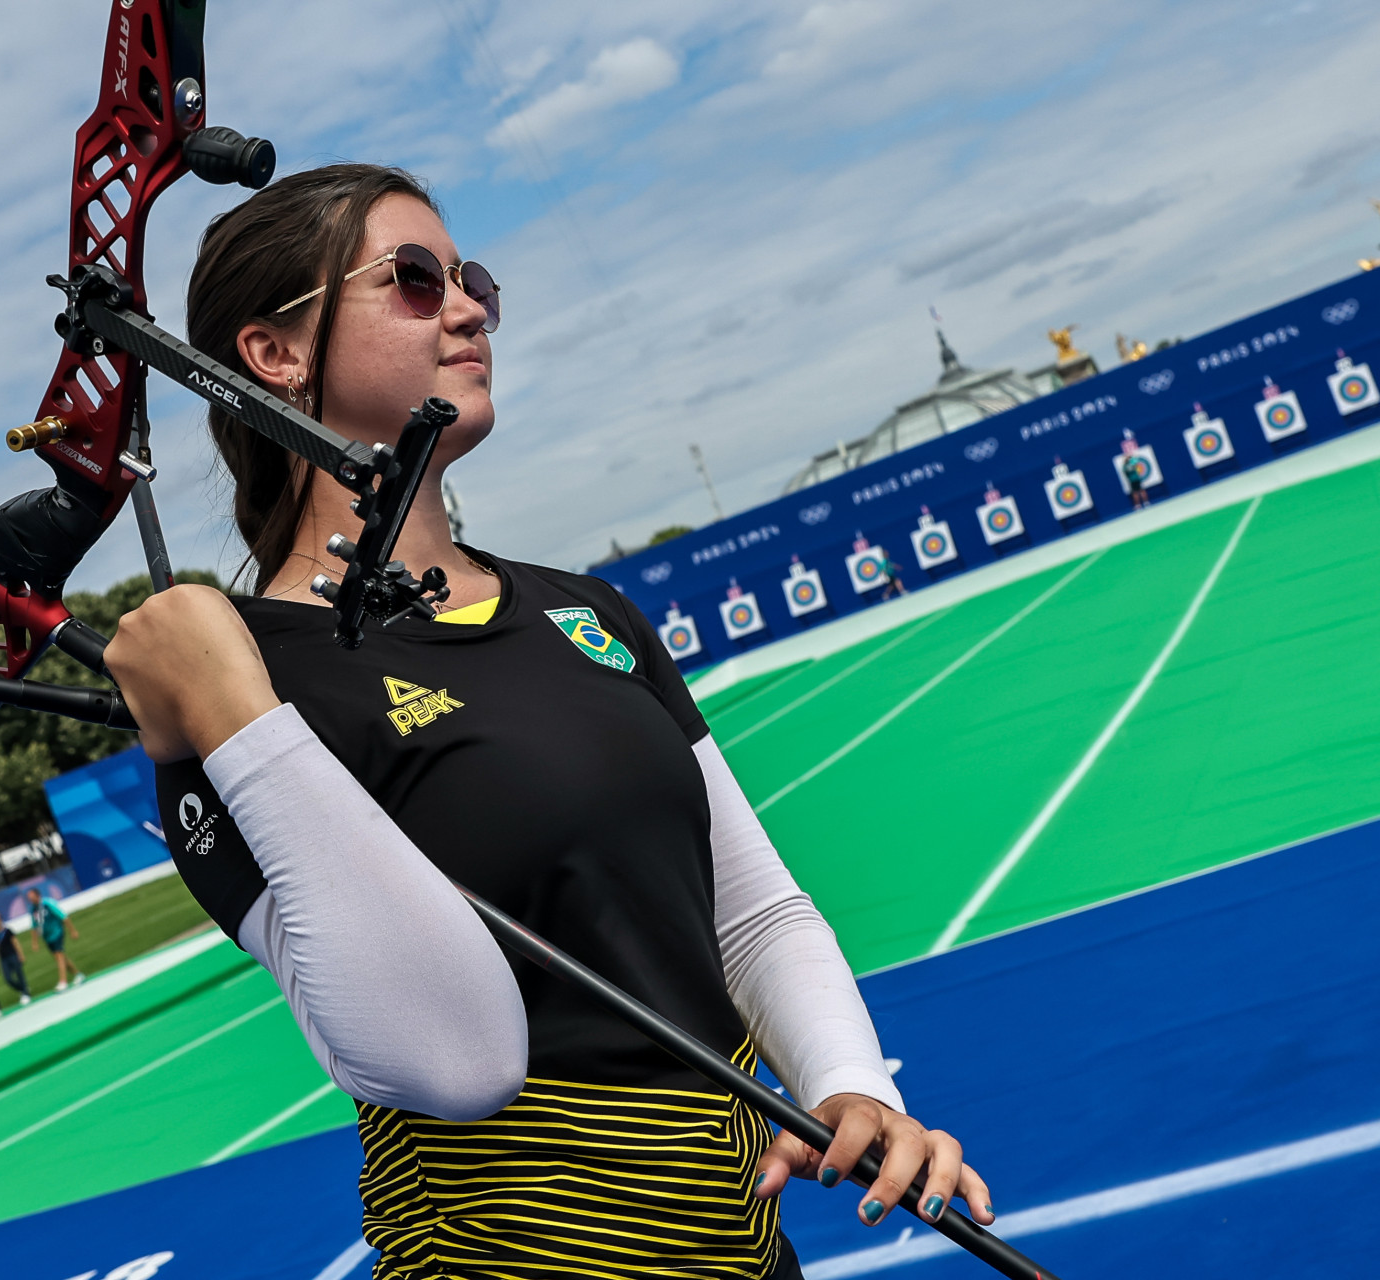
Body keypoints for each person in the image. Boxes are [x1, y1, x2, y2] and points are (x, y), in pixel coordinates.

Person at [99, 165, 996, 1280]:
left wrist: (855, 1085)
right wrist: (234, 714)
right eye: (414, 280)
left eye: (469, 277)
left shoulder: (584, 607)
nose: (471, 305)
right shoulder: (238, 695)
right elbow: (448, 1060)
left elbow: (752, 910)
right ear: (274, 356)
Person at [26, 888, 83, 991]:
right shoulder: (33, 909)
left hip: (57, 932)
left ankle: (63, 981)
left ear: (37, 895)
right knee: (60, 957)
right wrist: (35, 942)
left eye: (31, 896)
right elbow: (35, 926)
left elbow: (63, 917)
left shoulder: (47, 904)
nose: (30, 898)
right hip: (47, 936)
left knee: (59, 956)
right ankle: (77, 974)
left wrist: (72, 931)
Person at [0, 912, 31, 1004]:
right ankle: (22, 988)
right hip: (4, 958)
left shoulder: (7, 931)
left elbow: (15, 942)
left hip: (12, 955)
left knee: (20, 975)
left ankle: (25, 993)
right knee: (8, 979)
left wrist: (20, 954)